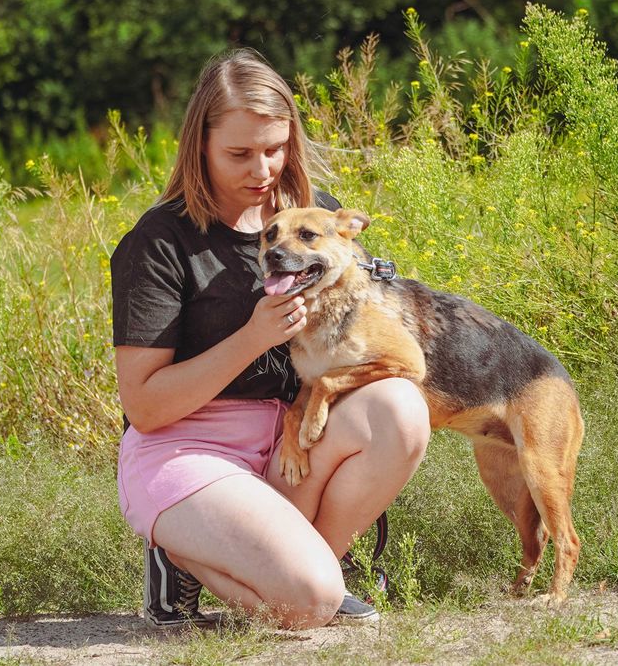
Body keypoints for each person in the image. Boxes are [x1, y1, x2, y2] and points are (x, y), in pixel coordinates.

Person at [110, 48, 431, 630]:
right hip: (188, 450)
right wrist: (254, 336)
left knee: (402, 410)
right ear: (199, 145)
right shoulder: (159, 242)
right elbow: (144, 406)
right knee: (307, 604)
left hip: (290, 439)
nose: (261, 170)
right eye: (239, 153)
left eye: (275, 149)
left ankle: (316, 564)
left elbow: (378, 334)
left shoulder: (313, 219)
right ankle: (184, 553)